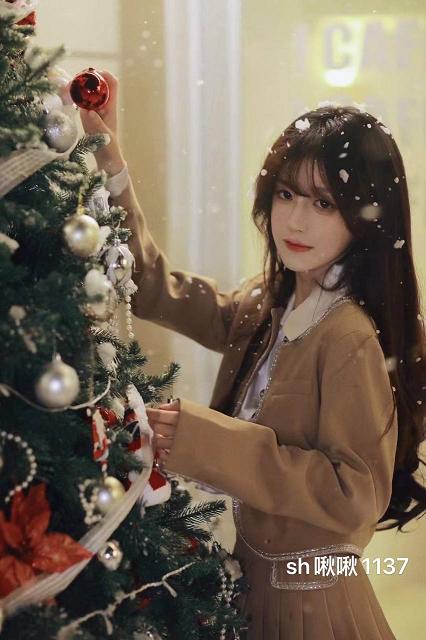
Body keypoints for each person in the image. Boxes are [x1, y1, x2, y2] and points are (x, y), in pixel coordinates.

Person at [80, 73, 426, 640]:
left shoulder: (347, 335)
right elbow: (151, 286)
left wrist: (209, 442)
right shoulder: (269, 303)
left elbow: (355, 494)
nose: (295, 220)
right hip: (253, 586)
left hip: (311, 601)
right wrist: (112, 161)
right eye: (286, 194)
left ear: (367, 217)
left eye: (324, 203)